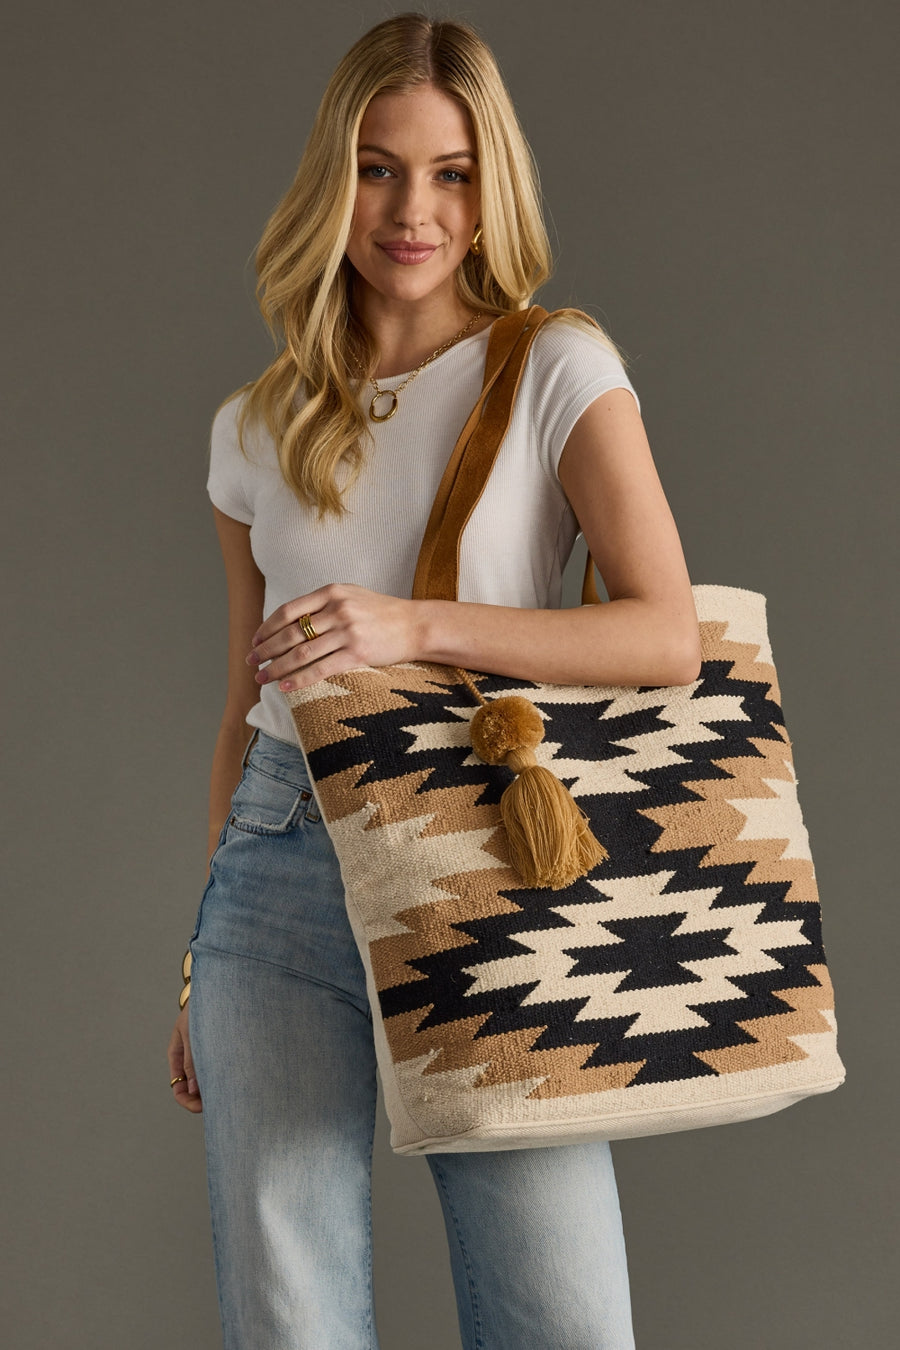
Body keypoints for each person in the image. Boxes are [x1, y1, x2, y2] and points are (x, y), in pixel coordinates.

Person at [168, 12, 701, 1349]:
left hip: (484, 847)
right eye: (381, 166)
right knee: (289, 1322)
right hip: (279, 860)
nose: (414, 207)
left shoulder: (553, 369)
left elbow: (665, 635)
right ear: (331, 180)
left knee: (559, 1318)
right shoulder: (254, 427)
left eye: (451, 171)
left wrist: (409, 625)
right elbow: (246, 701)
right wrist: (194, 964)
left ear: (489, 186)